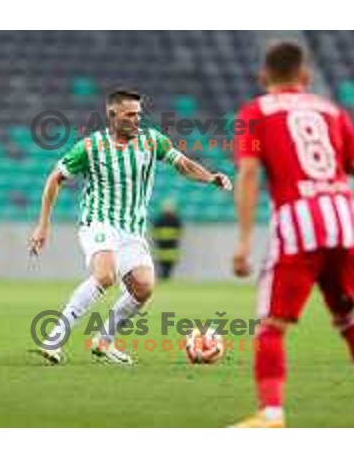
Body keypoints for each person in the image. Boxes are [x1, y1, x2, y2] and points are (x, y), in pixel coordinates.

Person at [232, 41, 354, 428]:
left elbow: (248, 172)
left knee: (270, 325)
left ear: (264, 77)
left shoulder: (254, 114)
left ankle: (271, 413)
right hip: (342, 220)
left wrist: (244, 241)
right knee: (349, 321)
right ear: (306, 77)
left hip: (298, 224)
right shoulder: (333, 112)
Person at [29, 89, 232, 364]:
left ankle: (104, 341)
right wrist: (43, 226)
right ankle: (54, 339)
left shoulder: (151, 141)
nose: (137, 119)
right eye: (130, 115)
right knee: (105, 275)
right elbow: (55, 178)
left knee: (144, 287)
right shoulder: (91, 147)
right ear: (113, 116)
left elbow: (182, 164)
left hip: (131, 230)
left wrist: (210, 178)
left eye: (139, 114)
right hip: (98, 221)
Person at [152, 200, 183, 280]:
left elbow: (179, 231)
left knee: (168, 266)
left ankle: (165, 277)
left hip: (169, 247)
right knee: (163, 265)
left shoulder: (174, 219)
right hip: (163, 247)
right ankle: (164, 276)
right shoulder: (161, 219)